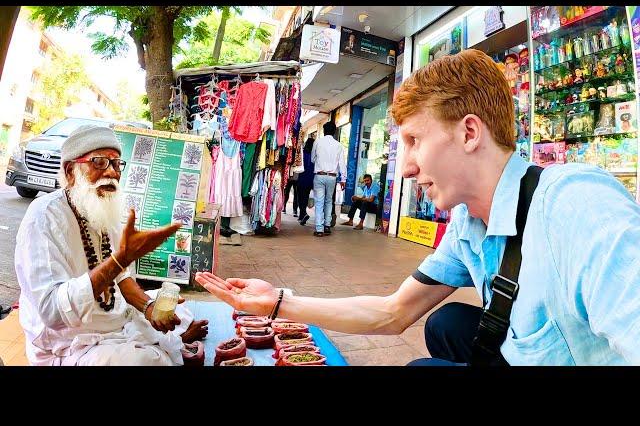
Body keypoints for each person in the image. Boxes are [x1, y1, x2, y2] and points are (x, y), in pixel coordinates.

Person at [195, 48, 640, 366]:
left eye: (414, 141)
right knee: (444, 323)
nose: (405, 168)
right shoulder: (468, 222)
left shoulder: (578, 205)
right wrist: (278, 303)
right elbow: (393, 313)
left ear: (469, 133)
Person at [15, 125, 209, 366]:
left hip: (114, 318)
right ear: (70, 171)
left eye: (116, 164)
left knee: (170, 304)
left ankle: (167, 338)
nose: (112, 172)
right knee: (143, 361)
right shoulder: (44, 217)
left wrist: (148, 308)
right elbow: (52, 312)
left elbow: (121, 278)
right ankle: (169, 343)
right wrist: (118, 261)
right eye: (99, 163)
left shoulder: (106, 210)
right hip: (72, 341)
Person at [310, 122, 347, 237]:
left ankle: (319, 229)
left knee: (319, 201)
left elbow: (312, 159)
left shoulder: (317, 142)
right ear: (334, 131)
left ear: (324, 131)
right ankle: (327, 225)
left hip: (319, 175)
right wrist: (343, 179)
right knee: (329, 201)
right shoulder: (339, 145)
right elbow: (342, 164)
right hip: (332, 177)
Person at [297, 137, 315, 226]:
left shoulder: (302, 153)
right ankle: (302, 215)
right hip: (310, 179)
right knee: (306, 197)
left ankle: (303, 213)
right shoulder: (314, 155)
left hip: (302, 178)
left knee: (300, 197)